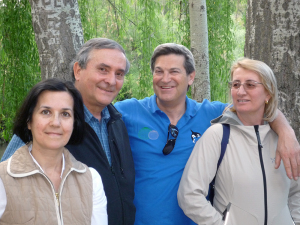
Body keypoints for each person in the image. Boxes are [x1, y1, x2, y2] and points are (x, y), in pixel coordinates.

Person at [114, 44, 300, 225]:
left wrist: (285, 132)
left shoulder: (211, 114)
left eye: (174, 71)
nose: (165, 78)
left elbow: (254, 107)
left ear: (191, 77)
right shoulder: (128, 112)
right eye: (159, 71)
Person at [1, 38, 135, 225]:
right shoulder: (48, 127)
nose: (111, 80)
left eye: (119, 74)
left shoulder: (117, 122)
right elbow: (8, 179)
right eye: (103, 69)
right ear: (78, 70)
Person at [177, 58, 300, 225]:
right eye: (236, 85)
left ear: (268, 93)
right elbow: (189, 195)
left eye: (250, 85)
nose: (240, 91)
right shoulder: (218, 136)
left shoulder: (283, 140)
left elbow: (296, 191)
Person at [0, 78, 107, 224]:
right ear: (29, 121)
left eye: (65, 114)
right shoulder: (3, 179)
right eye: (46, 112)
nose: (56, 123)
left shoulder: (91, 180)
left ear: (74, 123)